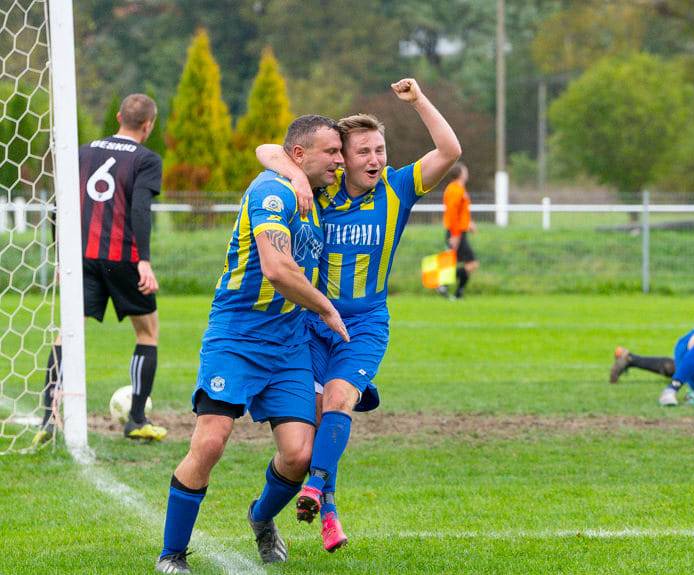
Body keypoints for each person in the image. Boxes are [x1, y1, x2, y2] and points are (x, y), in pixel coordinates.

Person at [256, 78, 461, 552]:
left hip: (365, 323)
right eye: (364, 151)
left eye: (381, 150)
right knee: (304, 442)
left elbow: (449, 149)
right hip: (307, 324)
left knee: (340, 401)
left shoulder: (397, 188)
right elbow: (268, 149)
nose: (375, 159)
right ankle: (302, 510)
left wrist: (418, 101)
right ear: (340, 158)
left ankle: (316, 492)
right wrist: (293, 173)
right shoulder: (315, 190)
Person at [155, 115, 348, 574]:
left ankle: (260, 519)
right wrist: (325, 307)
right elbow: (278, 270)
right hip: (237, 335)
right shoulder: (273, 192)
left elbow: (270, 147)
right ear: (299, 156)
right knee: (211, 442)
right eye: (332, 153)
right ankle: (172, 554)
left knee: (301, 454)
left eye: (343, 153)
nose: (340, 162)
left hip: (288, 343)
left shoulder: (319, 195)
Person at [33, 94, 164, 446]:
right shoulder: (146, 159)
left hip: (82, 258)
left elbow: (57, 204)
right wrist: (144, 261)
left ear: (119, 116)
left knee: (68, 332)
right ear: (148, 125)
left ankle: (49, 418)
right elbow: (139, 210)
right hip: (122, 258)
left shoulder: (82, 152)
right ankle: (136, 419)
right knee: (147, 331)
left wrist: (61, 258)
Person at [438, 162, 478, 299]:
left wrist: (469, 223)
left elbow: (462, 212)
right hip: (456, 232)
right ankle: (443, 283)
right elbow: (453, 214)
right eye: (465, 170)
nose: (467, 173)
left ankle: (456, 293)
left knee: (467, 263)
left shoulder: (460, 189)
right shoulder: (454, 190)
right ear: (460, 173)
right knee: (472, 263)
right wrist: (455, 235)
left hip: (460, 231)